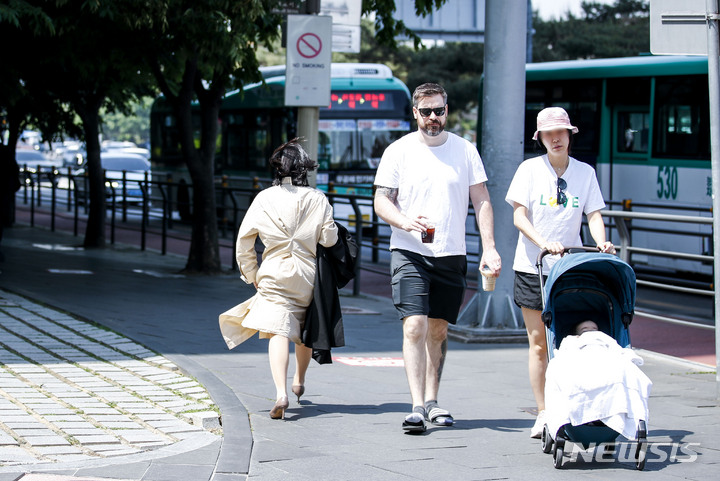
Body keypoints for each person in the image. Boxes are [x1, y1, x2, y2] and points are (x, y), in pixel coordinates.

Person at [374, 83, 501, 433]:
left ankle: (432, 401)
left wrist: (488, 247)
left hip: (451, 252)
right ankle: (415, 405)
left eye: (439, 111)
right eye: (426, 111)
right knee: (414, 324)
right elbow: (381, 200)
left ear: (448, 110)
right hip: (409, 250)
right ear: (415, 113)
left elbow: (482, 200)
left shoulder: (465, 151)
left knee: (438, 328)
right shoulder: (398, 151)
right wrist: (404, 221)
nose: (433, 118)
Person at [505, 106, 616, 438]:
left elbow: (593, 214)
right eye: (549, 134)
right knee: (539, 342)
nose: (556, 139)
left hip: (571, 268)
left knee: (575, 340)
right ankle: (543, 412)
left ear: (570, 135)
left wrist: (602, 243)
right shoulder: (529, 170)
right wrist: (544, 241)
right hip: (532, 266)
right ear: (541, 139)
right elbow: (519, 216)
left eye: (561, 132)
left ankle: (575, 407)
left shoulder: (585, 173)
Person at [219, 139, 338, 420]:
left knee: (277, 332)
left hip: (273, 273)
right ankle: (299, 379)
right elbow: (329, 239)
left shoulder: (264, 198)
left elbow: (243, 242)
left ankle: (280, 392)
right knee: (304, 329)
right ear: (304, 167)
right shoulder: (318, 198)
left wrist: (252, 273)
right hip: (307, 275)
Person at [544, 320, 652, 441]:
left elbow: (618, 351)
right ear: (577, 333)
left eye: (594, 329)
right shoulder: (572, 339)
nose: (590, 331)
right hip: (582, 362)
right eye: (585, 329)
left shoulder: (605, 339)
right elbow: (565, 353)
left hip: (606, 361)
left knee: (629, 373)